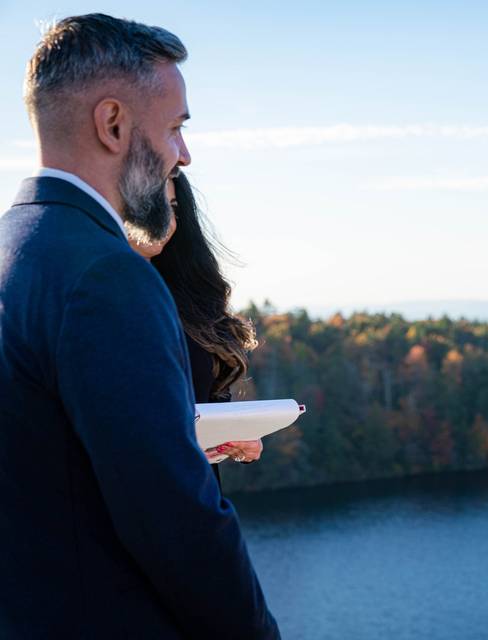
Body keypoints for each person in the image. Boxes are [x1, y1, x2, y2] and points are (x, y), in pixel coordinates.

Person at [0, 14, 278, 638]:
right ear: (114, 124)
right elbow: (177, 524)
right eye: (176, 128)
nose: (184, 153)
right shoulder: (107, 276)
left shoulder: (16, 246)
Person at [131, 172, 264, 468]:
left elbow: (209, 400)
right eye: (154, 206)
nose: (167, 221)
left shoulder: (189, 299)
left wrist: (239, 437)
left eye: (175, 209)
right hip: (132, 499)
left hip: (198, 494)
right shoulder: (96, 299)